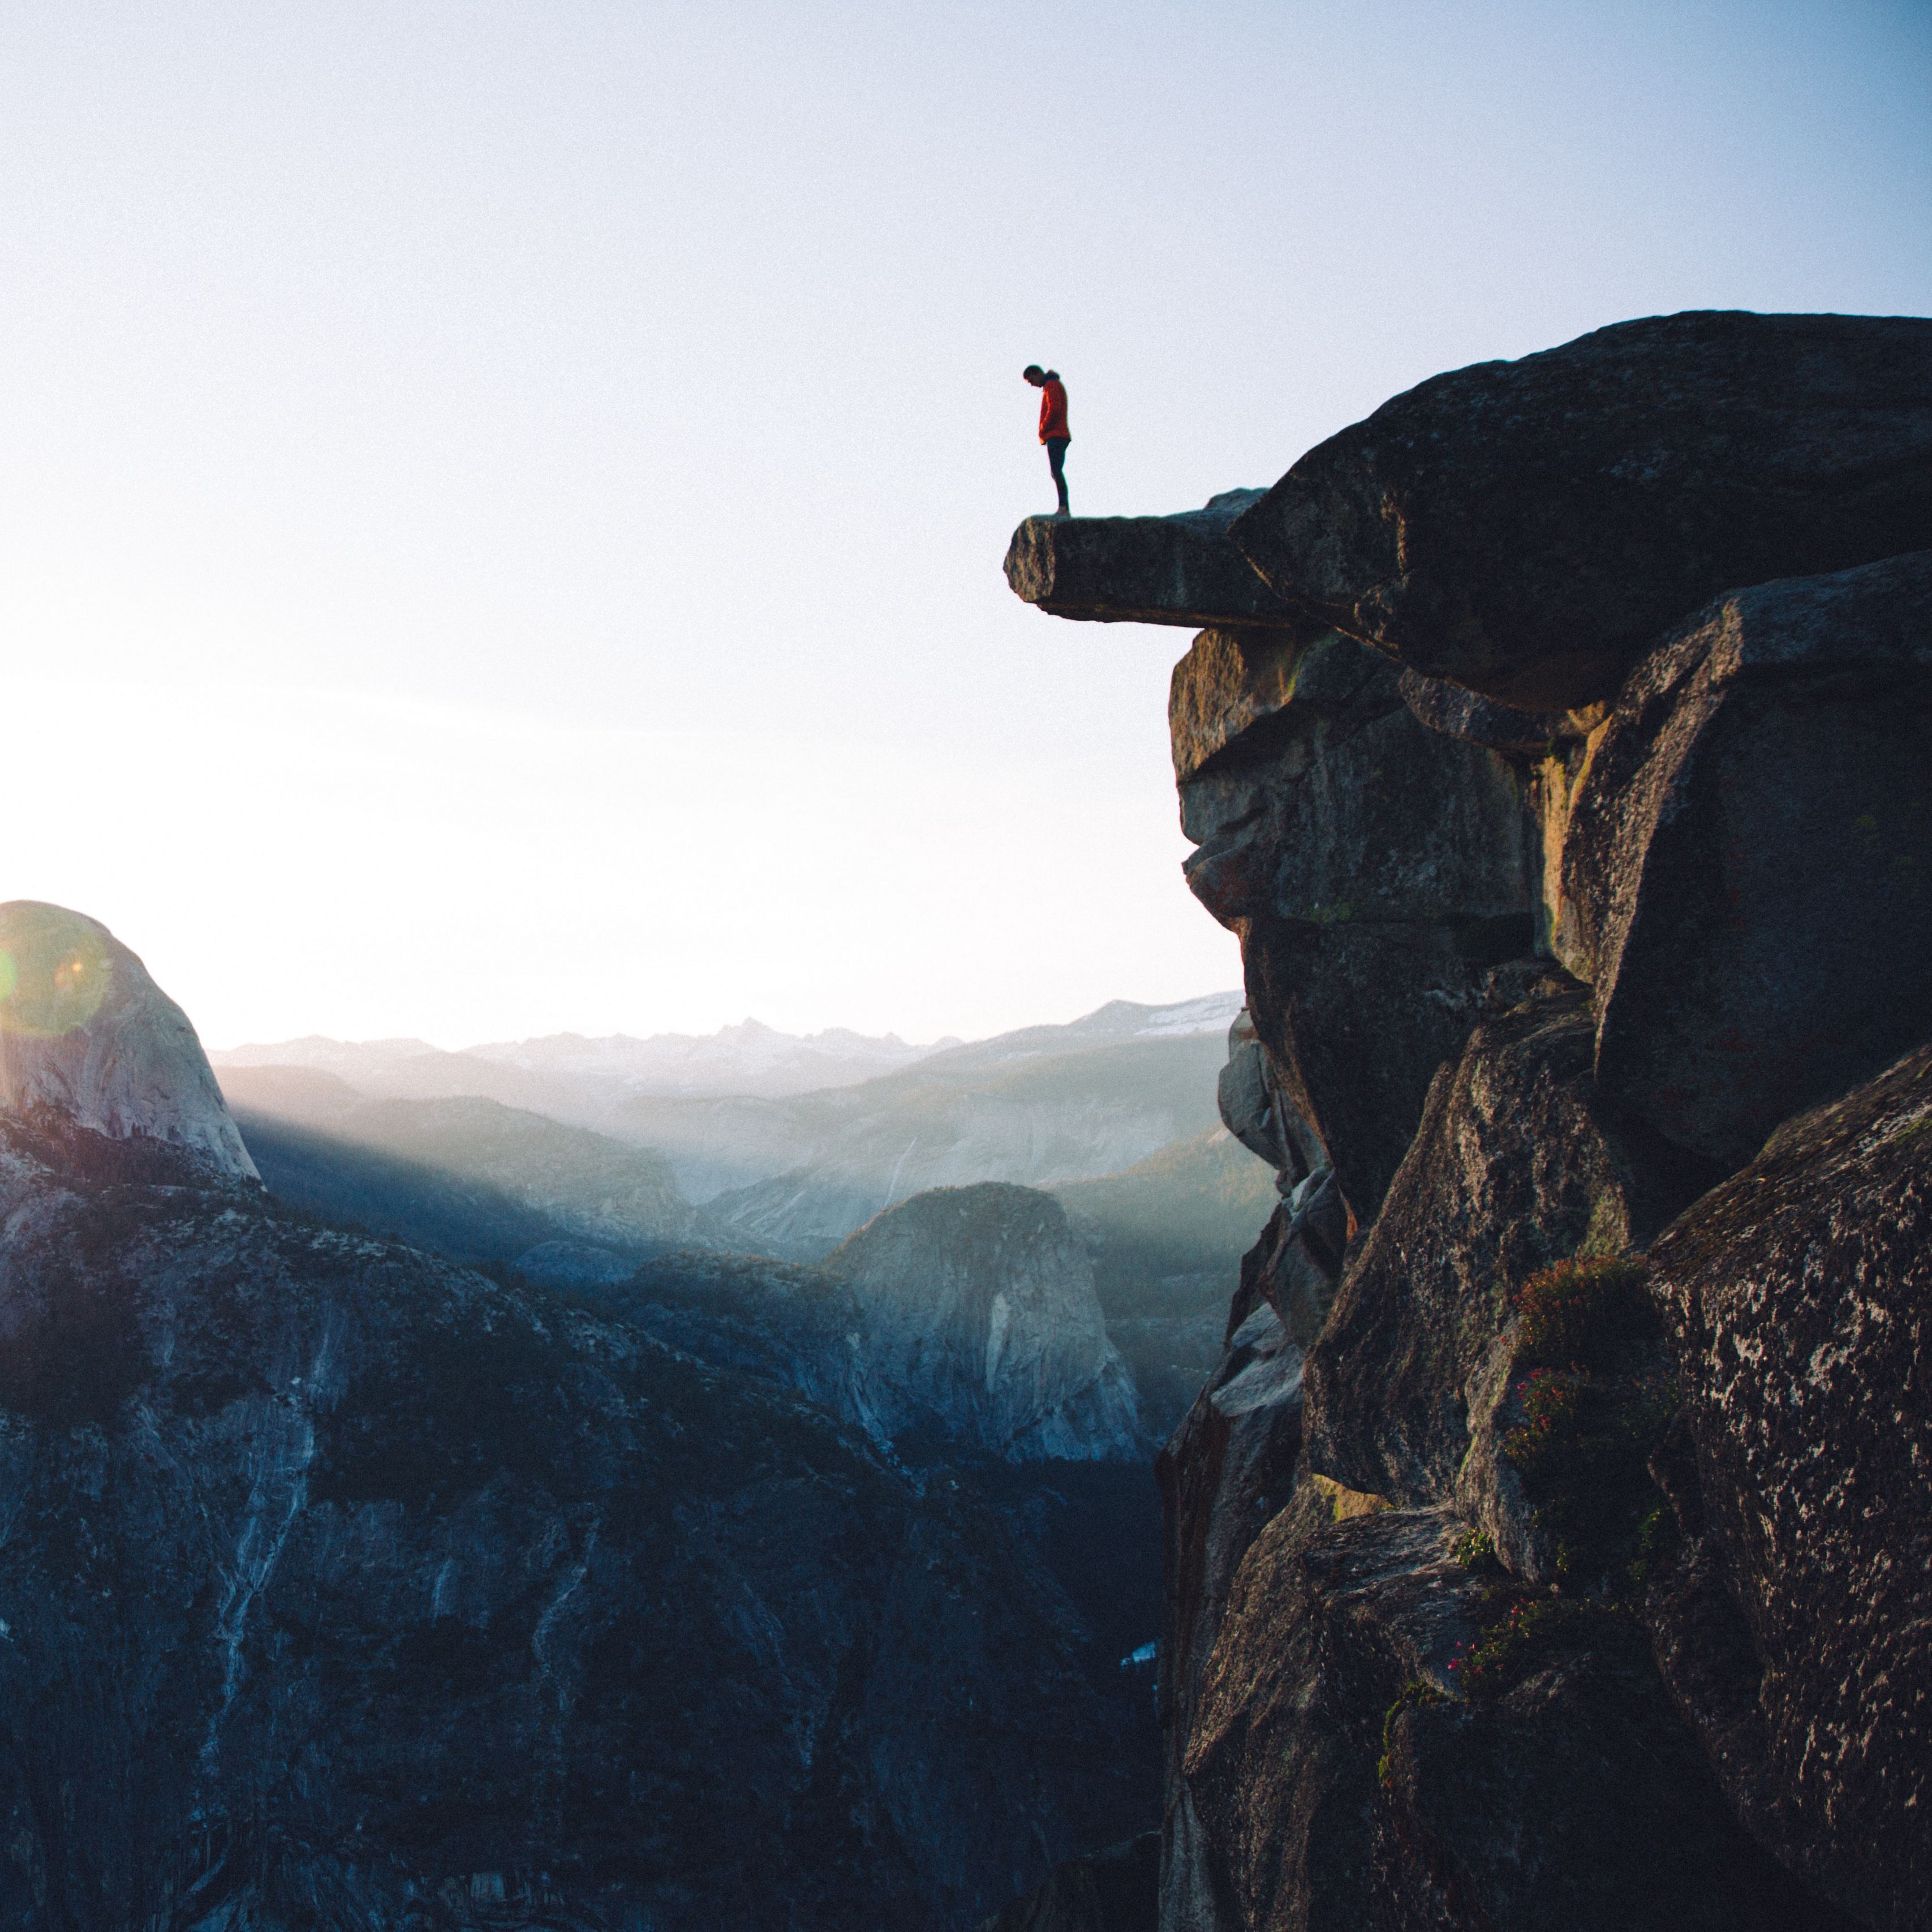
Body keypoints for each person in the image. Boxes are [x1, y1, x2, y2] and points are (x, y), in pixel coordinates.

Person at [1022, 364, 1071, 516]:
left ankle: (1064, 507)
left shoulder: (1051, 385)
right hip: (1058, 434)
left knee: (1056, 471)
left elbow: (1055, 408)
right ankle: (1064, 507)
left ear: (1037, 374)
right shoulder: (1052, 385)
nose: (1032, 385)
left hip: (1056, 434)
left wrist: (1044, 427)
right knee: (1056, 472)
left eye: (1032, 381)